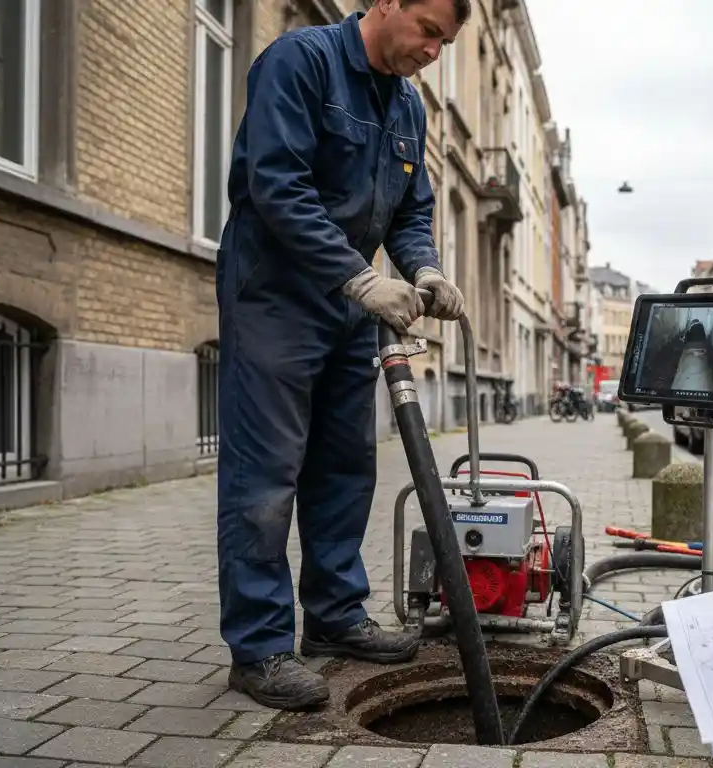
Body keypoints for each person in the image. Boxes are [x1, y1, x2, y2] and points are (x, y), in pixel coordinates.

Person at [213, 0, 470, 711]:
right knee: (266, 477)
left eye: (444, 42)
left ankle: (334, 617)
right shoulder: (301, 63)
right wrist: (358, 275)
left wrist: (424, 269)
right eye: (428, 31)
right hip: (275, 293)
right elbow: (276, 185)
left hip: (352, 306)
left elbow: (411, 212)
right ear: (387, 3)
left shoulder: (409, 108)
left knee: (344, 466)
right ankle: (260, 649)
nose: (432, 52)